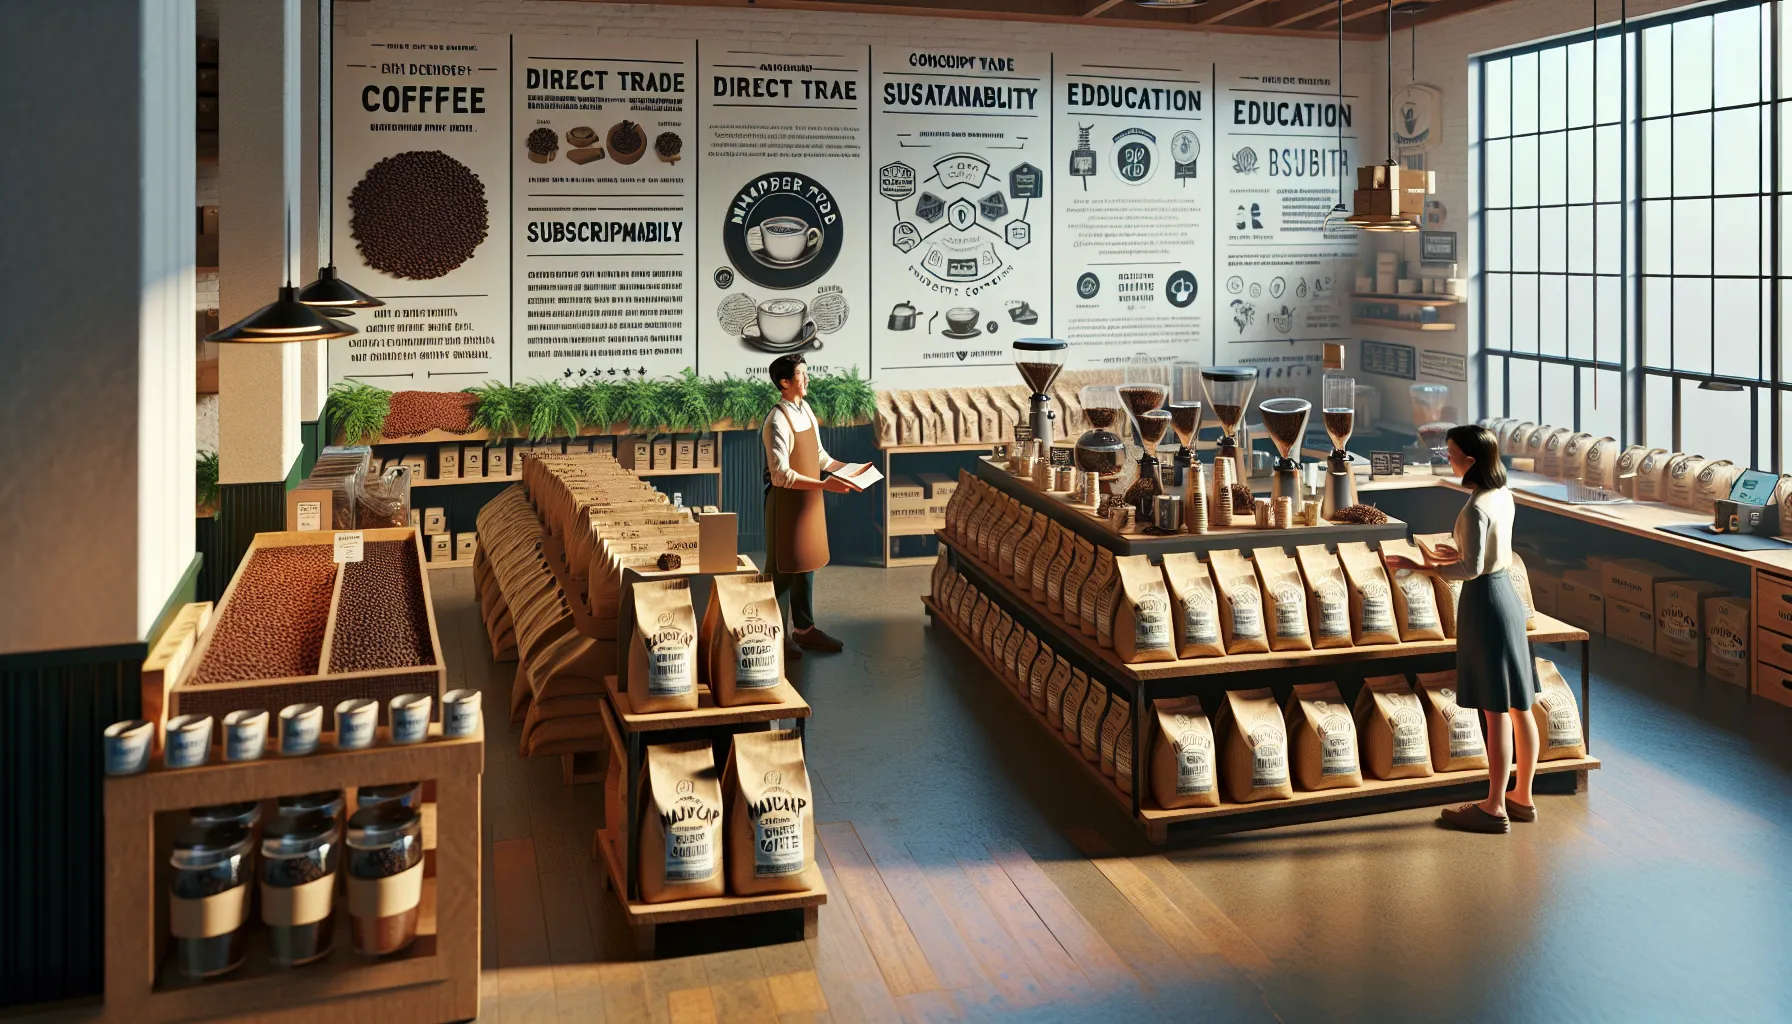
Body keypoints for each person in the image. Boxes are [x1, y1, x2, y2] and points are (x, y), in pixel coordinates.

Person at [1385, 423, 1538, 835]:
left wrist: (1423, 566)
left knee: (1495, 710)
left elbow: (1470, 570)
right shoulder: (1502, 495)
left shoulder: (1474, 508)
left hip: (1484, 604)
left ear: (1470, 461)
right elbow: (1487, 554)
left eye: (1450, 454)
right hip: (1507, 596)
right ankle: (1521, 797)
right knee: (1520, 705)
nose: (1445, 459)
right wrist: (1452, 553)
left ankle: (1492, 808)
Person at [761, 353, 870, 660]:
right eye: (801, 375)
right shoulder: (777, 420)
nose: (807, 379)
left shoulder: (805, 409)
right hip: (785, 503)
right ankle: (775, 636)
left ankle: (804, 630)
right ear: (784, 382)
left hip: (808, 500)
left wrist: (850, 469)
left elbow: (820, 457)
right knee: (782, 571)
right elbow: (780, 475)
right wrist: (825, 485)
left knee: (805, 566)